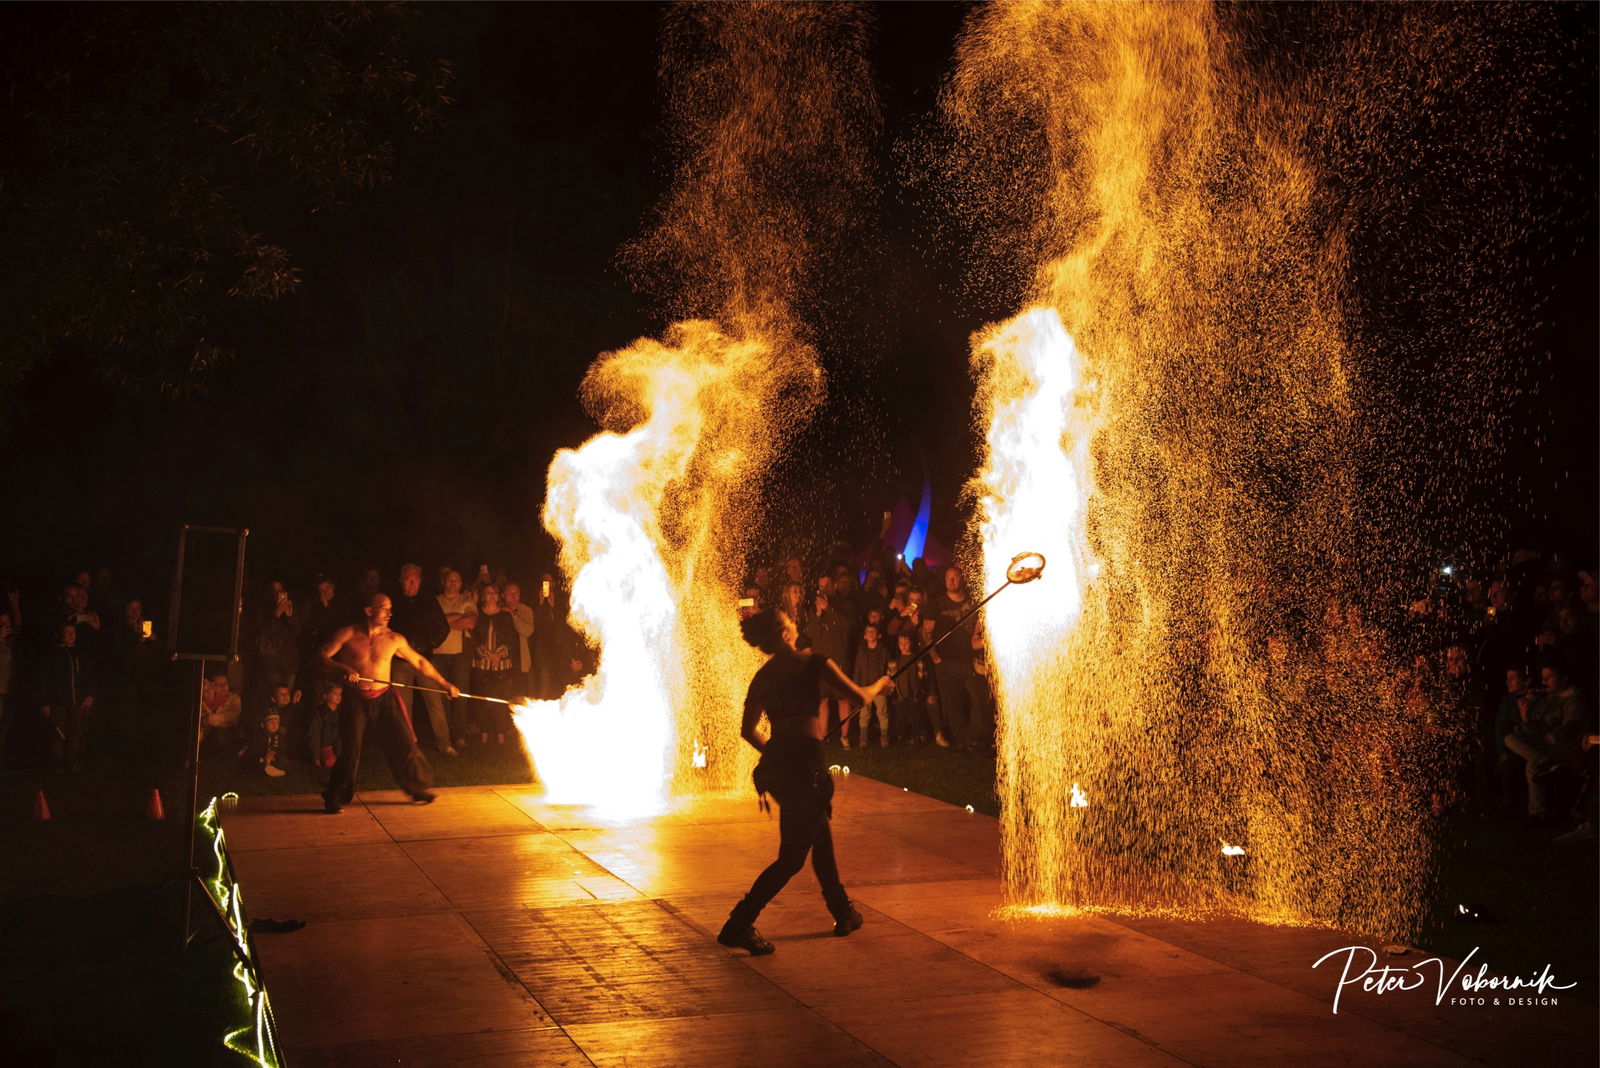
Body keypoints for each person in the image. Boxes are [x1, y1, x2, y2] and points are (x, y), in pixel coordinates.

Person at [717, 608, 893, 956]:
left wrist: (777, 750)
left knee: (817, 834)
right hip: (807, 768)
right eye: (790, 622)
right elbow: (859, 698)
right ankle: (740, 922)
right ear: (785, 634)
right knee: (793, 857)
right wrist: (881, 683)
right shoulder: (815, 662)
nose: (796, 624)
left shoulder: (763, 676)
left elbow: (747, 730)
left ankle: (843, 912)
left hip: (779, 767)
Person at [316, 592, 459, 812]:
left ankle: (417, 788)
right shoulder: (348, 634)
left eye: (391, 608)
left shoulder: (394, 639)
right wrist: (342, 668)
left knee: (404, 743)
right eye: (384, 608)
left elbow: (420, 661)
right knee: (351, 751)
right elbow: (322, 656)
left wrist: (445, 684)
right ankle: (335, 797)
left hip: (384, 698)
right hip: (356, 700)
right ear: (369, 611)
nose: (389, 613)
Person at [389, 563, 454, 755]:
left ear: (420, 581)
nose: (411, 583)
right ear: (401, 580)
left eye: (415, 579)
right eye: (408, 579)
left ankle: (445, 743)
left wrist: (430, 643)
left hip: (425, 659)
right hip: (400, 662)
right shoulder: (394, 602)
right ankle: (407, 745)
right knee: (403, 705)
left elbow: (444, 627)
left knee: (435, 702)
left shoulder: (428, 601)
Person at [39, 621, 96, 773]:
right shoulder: (51, 655)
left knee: (76, 732)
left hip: (78, 701)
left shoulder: (80, 654)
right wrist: (44, 702)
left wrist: (90, 695)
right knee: (59, 734)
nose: (71, 636)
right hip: (58, 702)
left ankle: (72, 763)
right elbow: (42, 680)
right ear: (59, 635)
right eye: (67, 633)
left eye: (73, 633)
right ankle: (57, 764)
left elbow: (90, 676)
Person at [466, 583, 516, 744]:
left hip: (502, 665)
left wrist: (499, 655)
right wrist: (487, 655)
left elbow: (511, 638)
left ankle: (500, 734)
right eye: (488, 592)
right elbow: (472, 637)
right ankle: (484, 733)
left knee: (500, 699)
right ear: (483, 597)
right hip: (482, 664)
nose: (492, 595)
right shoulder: (477, 615)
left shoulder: (506, 616)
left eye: (495, 592)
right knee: (483, 700)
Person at [433, 569, 478, 748]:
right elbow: (432, 624)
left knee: (460, 695)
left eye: (457, 581)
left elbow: (470, 622)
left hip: (460, 655)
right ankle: (446, 735)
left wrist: (443, 622)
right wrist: (458, 617)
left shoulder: (466, 601)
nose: (454, 583)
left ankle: (459, 735)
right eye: (450, 580)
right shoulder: (435, 602)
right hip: (437, 654)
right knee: (441, 697)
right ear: (444, 582)